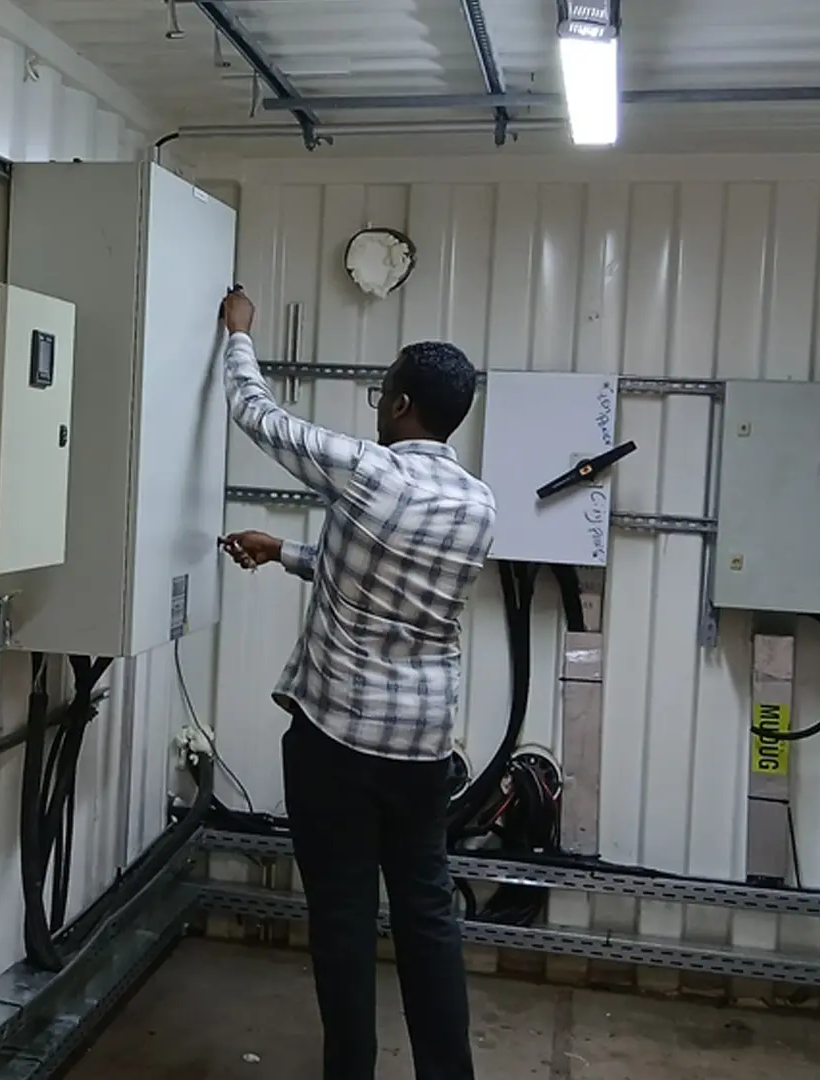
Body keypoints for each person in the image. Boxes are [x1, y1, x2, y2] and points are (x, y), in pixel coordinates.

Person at [215, 287, 495, 1080]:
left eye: (382, 395)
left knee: (341, 922)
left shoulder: (370, 472)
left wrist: (240, 334)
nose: (377, 409)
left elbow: (256, 414)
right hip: (423, 751)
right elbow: (387, 581)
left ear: (401, 404)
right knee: (426, 919)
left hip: (338, 744)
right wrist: (288, 553)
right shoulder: (477, 506)